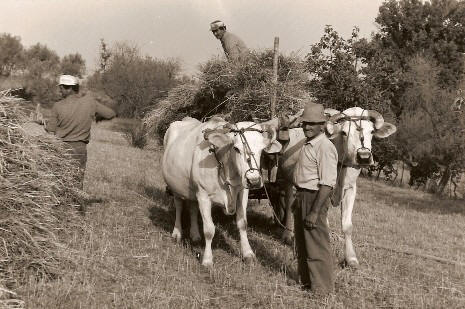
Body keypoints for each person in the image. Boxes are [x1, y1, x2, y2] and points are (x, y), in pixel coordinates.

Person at [292, 101, 338, 294]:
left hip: (314, 198)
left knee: (317, 245)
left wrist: (314, 211)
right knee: (302, 244)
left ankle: (322, 290)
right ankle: (307, 282)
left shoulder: (325, 147)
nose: (307, 127)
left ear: (322, 125)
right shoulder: (308, 143)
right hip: (302, 196)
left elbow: (327, 184)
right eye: (304, 123)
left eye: (312, 124)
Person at [44, 74, 116, 190]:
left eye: (61, 88)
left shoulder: (57, 106)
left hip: (61, 148)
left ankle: (61, 205)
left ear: (68, 88)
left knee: (59, 182)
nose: (60, 91)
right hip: (79, 149)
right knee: (77, 182)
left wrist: (41, 122)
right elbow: (111, 114)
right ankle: (76, 206)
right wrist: (96, 117)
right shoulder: (90, 102)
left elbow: (51, 129)